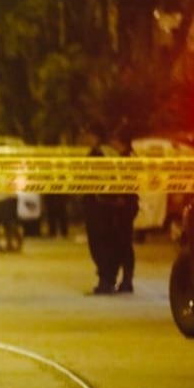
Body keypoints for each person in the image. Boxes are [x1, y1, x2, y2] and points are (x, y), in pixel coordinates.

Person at [81, 123, 120, 294]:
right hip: (105, 205)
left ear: (95, 136)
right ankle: (108, 279)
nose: (85, 138)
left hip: (99, 205)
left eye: (88, 134)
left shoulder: (99, 154)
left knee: (100, 244)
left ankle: (106, 281)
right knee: (106, 243)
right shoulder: (110, 152)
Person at [111, 128, 139, 292]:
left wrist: (121, 198)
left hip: (125, 206)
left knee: (124, 244)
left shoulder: (126, 158)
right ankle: (126, 279)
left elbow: (128, 182)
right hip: (125, 205)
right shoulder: (126, 156)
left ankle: (127, 280)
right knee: (123, 244)